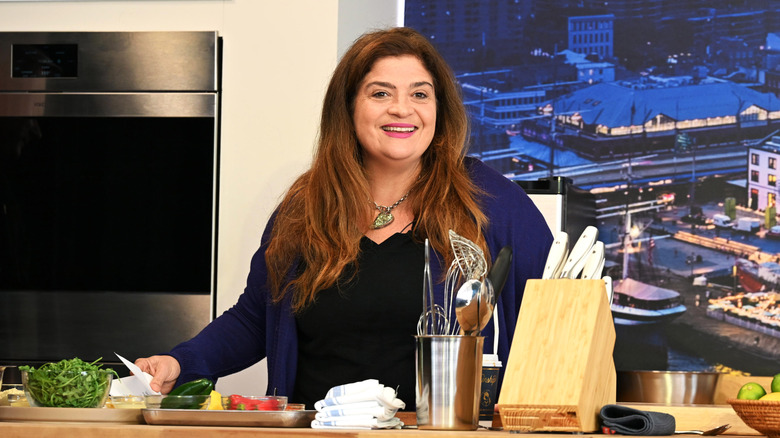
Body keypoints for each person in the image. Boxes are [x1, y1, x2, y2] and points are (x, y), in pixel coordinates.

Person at [136, 27, 553, 410]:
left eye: (420, 94)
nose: (402, 110)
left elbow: (556, 313)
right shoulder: (306, 204)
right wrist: (180, 361)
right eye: (380, 93)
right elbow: (256, 316)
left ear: (439, 110)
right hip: (317, 433)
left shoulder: (490, 201)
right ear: (349, 107)